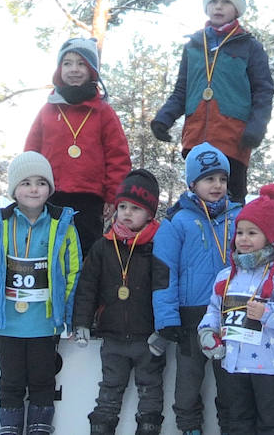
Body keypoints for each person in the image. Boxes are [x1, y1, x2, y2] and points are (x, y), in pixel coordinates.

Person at [0, 151, 82, 435]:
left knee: (43, 382)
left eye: (41, 182)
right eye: (26, 183)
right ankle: (9, 427)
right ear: (13, 190)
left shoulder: (63, 226)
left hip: (44, 324)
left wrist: (69, 316)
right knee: (10, 382)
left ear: (50, 188)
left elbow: (73, 273)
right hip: (9, 323)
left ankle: (40, 427)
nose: (34, 189)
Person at [150, 0, 274, 203]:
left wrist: (257, 127)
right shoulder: (194, 46)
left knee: (230, 205)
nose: (218, 7)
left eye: (226, 1)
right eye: (213, 1)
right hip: (195, 141)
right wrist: (163, 119)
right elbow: (182, 89)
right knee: (196, 206)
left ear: (237, 7)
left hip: (232, 141)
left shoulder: (249, 46)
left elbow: (263, 91)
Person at [197, 184, 274, 435]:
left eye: (252, 233)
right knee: (235, 423)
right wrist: (207, 332)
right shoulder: (226, 275)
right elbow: (215, 309)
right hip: (231, 364)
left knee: (273, 425)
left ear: (269, 236)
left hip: (268, 367)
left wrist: (267, 313)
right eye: (240, 233)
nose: (244, 239)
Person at [151, 142, 243, 435]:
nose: (217, 185)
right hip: (190, 319)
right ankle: (189, 429)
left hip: (232, 317)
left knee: (231, 385)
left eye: (222, 179)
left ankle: (231, 428)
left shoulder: (239, 218)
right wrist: (166, 319)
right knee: (188, 386)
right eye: (208, 178)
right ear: (193, 183)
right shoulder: (177, 221)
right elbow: (164, 273)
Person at [72, 169, 168, 435]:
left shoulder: (159, 245)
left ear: (150, 213)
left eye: (135, 208)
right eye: (122, 206)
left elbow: (165, 289)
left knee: (150, 393)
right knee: (108, 392)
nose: (126, 212)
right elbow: (87, 287)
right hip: (112, 337)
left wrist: (165, 329)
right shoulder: (103, 246)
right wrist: (81, 321)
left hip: (148, 339)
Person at [25, 37, 131, 256]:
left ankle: (82, 292)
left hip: (90, 199)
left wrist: (113, 197)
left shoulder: (104, 112)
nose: (74, 69)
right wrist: (27, 188)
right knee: (48, 252)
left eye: (81, 63)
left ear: (92, 70)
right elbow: (30, 154)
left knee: (84, 254)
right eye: (67, 63)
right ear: (59, 69)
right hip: (50, 195)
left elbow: (118, 158)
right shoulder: (48, 110)